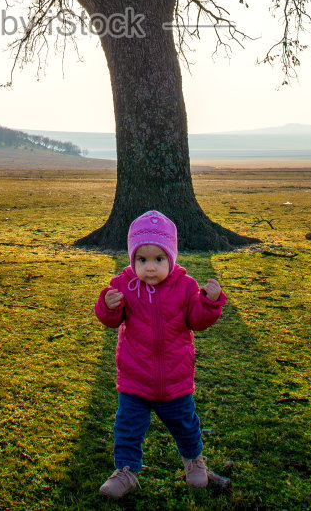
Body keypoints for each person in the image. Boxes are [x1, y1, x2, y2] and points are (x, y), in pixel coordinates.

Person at [92, 209, 231, 498]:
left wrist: (209, 302)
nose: (150, 268)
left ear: (172, 257)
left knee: (185, 424)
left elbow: (198, 321)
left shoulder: (185, 286)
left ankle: (194, 461)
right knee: (127, 428)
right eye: (142, 260)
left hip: (175, 378)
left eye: (158, 259)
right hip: (135, 378)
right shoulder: (124, 286)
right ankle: (126, 472)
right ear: (132, 259)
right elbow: (110, 320)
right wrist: (108, 304)